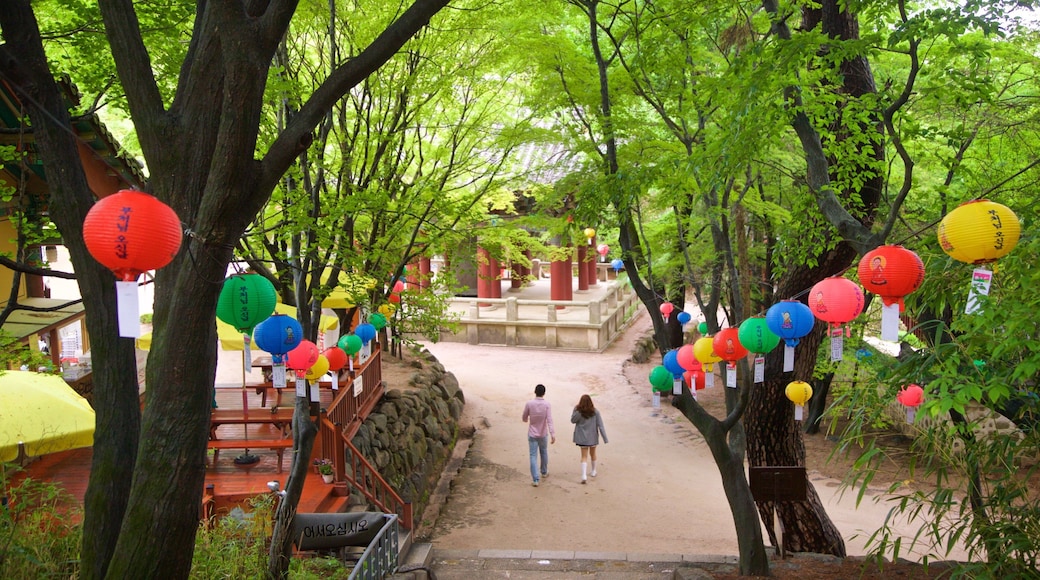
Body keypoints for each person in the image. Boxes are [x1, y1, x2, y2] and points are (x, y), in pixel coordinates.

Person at [522, 383, 555, 487]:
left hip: (532, 433)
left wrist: (527, 420)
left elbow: (524, 417)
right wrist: (552, 433)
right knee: (543, 452)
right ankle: (544, 472)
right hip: (543, 433)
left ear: (535, 392)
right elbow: (549, 420)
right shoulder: (547, 404)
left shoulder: (529, 403)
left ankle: (535, 479)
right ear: (544, 393)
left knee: (533, 455)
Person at [571, 394, 608, 484]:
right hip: (593, 437)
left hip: (582, 438)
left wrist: (577, 410)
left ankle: (584, 475)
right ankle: (593, 470)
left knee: (584, 456)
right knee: (593, 454)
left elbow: (573, 420)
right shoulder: (595, 412)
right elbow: (601, 425)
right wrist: (605, 438)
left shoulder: (578, 411)